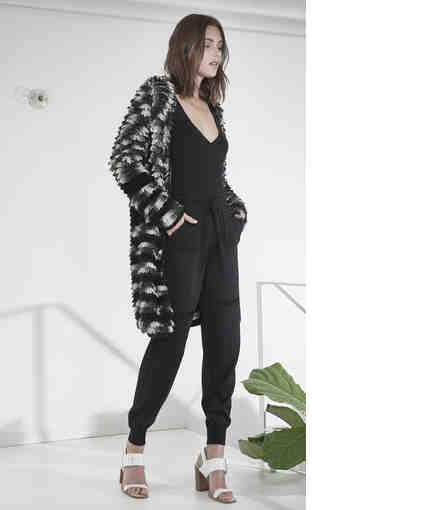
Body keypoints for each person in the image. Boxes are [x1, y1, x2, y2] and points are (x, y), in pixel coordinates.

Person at [109, 14, 247, 503]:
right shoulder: (157, 95)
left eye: (220, 46)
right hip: (179, 238)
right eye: (208, 44)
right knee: (169, 344)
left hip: (220, 237)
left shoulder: (213, 108)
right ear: (186, 47)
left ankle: (213, 456)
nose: (216, 54)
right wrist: (167, 213)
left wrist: (236, 210)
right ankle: (134, 448)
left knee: (225, 343)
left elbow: (215, 178)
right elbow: (125, 159)